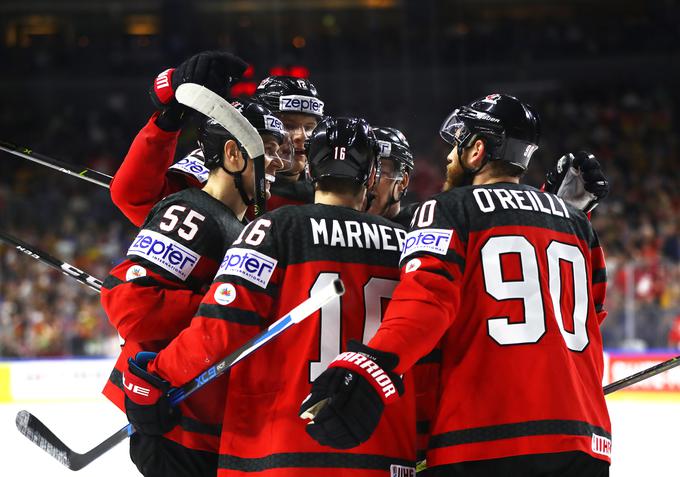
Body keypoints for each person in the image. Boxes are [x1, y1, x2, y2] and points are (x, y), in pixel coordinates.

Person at [303, 94, 612, 477]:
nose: (449, 157)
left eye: (456, 146)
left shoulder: (446, 209)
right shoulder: (578, 223)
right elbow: (590, 318)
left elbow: (427, 301)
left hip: (484, 437)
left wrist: (371, 364)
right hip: (583, 438)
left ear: (476, 150)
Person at [121, 117, 418, 476]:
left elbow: (220, 329)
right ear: (371, 177)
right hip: (383, 450)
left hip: (274, 450)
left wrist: (157, 376)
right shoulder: (408, 246)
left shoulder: (273, 228)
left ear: (309, 170)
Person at [101, 95, 287, 476]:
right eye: (269, 150)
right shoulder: (191, 212)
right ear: (234, 154)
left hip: (209, 426)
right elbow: (133, 308)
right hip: (177, 426)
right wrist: (225, 304)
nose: (280, 163)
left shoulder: (238, 224)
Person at [109, 51, 249, 227]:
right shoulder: (215, 162)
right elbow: (134, 195)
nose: (295, 137)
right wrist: (170, 120)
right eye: (288, 124)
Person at [253, 76, 326, 209]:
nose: (302, 136)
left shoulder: (325, 191)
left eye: (309, 127)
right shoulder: (241, 190)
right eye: (288, 126)